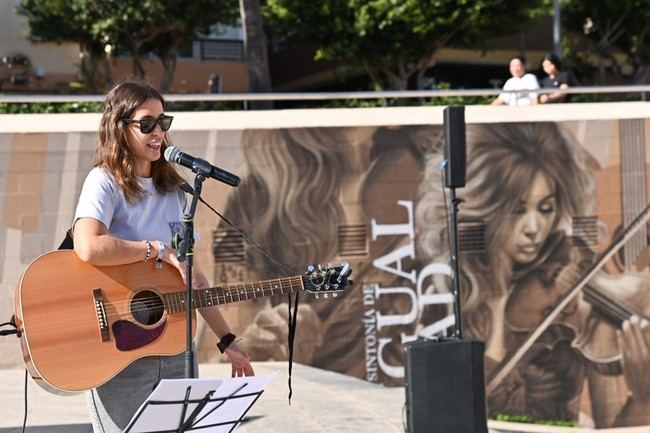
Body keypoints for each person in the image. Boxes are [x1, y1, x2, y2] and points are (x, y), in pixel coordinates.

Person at [415, 122, 650, 427]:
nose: (534, 228)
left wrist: (643, 397)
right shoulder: (451, 289)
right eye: (517, 209)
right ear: (488, 207)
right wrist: (496, 306)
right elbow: (473, 415)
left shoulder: (575, 258)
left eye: (546, 208)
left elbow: (609, 425)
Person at [72, 80, 254, 433]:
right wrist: (156, 250)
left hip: (174, 352)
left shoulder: (174, 192)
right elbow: (88, 246)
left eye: (162, 122)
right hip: (118, 354)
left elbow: (193, 278)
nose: (158, 132)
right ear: (119, 127)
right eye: (146, 124)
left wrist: (228, 340)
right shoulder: (104, 181)